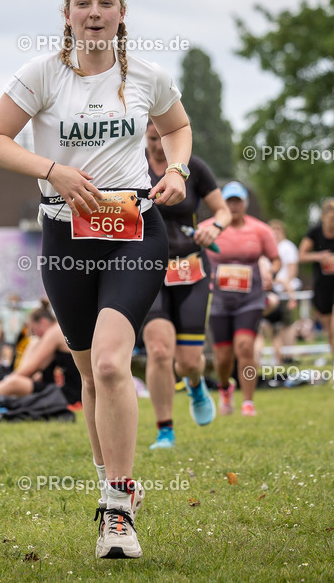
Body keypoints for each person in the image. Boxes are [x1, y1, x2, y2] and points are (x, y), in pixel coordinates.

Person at [0, 0, 192, 559]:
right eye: (82, 4)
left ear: (122, 13)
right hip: (65, 239)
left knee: (108, 365)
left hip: (133, 232)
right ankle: (112, 486)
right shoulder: (41, 75)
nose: (94, 13)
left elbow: (178, 129)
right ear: (67, 13)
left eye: (105, 3)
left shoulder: (147, 75)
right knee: (85, 371)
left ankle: (118, 513)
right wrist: (54, 171)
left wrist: (175, 170)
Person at [141, 119, 230, 449]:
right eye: (150, 139)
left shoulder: (193, 166)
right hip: (146, 268)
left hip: (190, 268)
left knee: (188, 361)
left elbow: (222, 211)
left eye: (161, 139)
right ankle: (165, 429)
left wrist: (214, 227)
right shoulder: (132, 163)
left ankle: (195, 385)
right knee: (159, 350)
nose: (155, 146)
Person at [204, 182, 280, 417]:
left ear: (245, 203)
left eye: (238, 201)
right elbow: (193, 255)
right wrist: (207, 274)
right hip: (218, 299)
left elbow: (276, 259)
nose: (234, 205)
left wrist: (270, 272)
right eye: (229, 201)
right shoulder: (209, 228)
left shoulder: (260, 230)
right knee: (223, 356)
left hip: (250, 298)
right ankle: (225, 387)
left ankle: (248, 402)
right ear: (223, 204)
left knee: (245, 347)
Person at [299, 198, 334, 386]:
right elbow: (302, 255)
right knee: (331, 330)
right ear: (323, 218)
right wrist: (318, 256)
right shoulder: (315, 233)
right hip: (323, 287)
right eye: (331, 219)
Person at [0, 301, 82, 405]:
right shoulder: (59, 330)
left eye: (33, 330)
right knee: (17, 381)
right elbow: (37, 368)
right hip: (74, 390)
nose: (34, 334)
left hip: (70, 394)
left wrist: (8, 380)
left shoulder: (54, 333)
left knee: (15, 383)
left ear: (43, 322)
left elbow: (29, 368)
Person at [257, 219, 301, 366]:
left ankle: (283, 359)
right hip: (272, 292)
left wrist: (289, 293)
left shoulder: (287, 248)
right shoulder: (264, 251)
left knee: (273, 331)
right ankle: (282, 361)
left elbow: (290, 274)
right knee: (271, 332)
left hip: (274, 293)